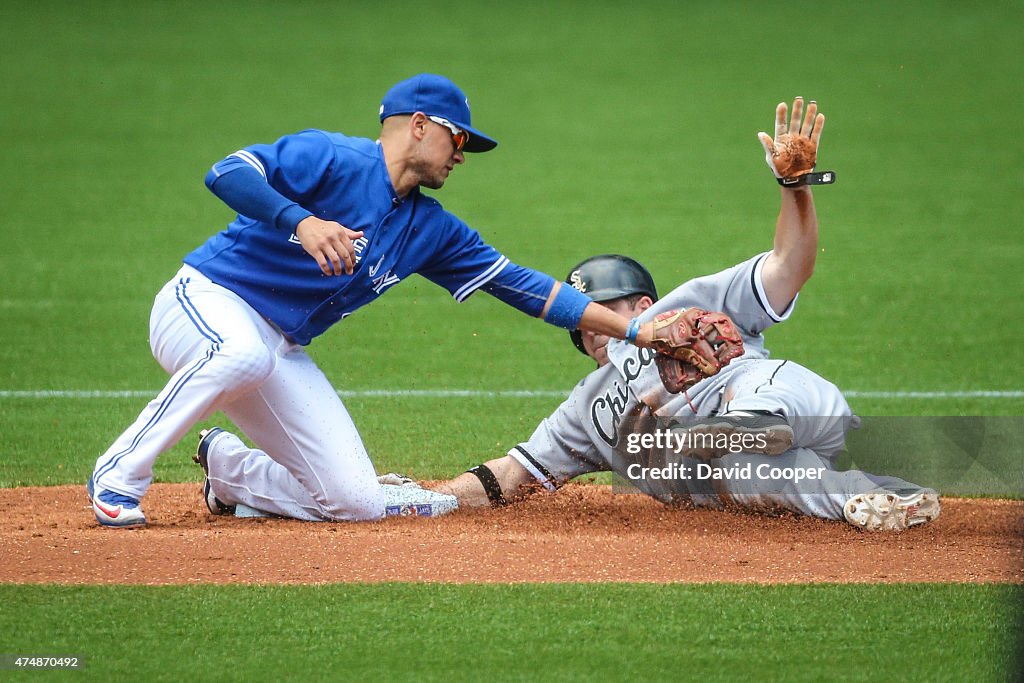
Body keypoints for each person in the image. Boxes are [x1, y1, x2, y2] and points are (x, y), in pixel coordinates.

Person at [87, 74, 667, 527]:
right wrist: (302, 221)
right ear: (419, 125)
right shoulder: (333, 157)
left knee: (356, 501)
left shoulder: (432, 229)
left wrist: (639, 333)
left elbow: (525, 286)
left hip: (277, 347)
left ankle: (231, 473)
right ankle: (119, 476)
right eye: (459, 138)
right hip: (203, 302)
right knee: (244, 354)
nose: (462, 154)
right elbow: (227, 172)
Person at [426, 97, 941, 531]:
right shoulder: (585, 411)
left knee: (758, 392)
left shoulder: (691, 303)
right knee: (746, 472)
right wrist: (436, 499)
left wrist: (796, 190)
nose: (592, 326)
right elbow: (512, 475)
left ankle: (748, 422)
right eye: (581, 324)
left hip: (794, 404)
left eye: (603, 309)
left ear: (644, 307)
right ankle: (867, 498)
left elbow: (792, 266)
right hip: (739, 462)